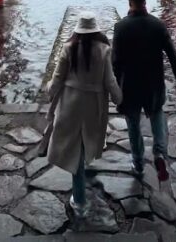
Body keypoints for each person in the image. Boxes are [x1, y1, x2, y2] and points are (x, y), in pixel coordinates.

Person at [44, 11, 122, 218]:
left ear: (78, 30)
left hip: (70, 102)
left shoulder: (68, 48)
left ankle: (78, 200)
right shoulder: (104, 50)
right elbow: (110, 80)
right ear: (95, 30)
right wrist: (118, 98)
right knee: (88, 139)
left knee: (73, 146)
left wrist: (49, 90)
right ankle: (82, 182)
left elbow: (57, 78)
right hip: (93, 104)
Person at [112, 0, 176, 181]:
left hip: (130, 86)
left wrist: (114, 87)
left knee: (133, 124)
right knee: (157, 116)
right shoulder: (158, 25)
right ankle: (159, 153)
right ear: (145, 2)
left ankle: (138, 163)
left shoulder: (121, 27)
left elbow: (115, 62)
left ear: (130, 3)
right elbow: (173, 56)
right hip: (154, 84)